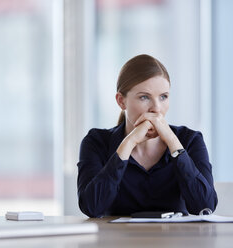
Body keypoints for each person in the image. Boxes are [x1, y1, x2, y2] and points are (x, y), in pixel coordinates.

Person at [77, 54, 217, 217]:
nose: (156, 108)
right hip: (118, 242)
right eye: (144, 97)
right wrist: (128, 144)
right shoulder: (96, 142)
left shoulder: (190, 140)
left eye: (163, 97)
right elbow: (92, 208)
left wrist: (172, 142)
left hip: (175, 241)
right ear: (121, 101)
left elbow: (205, 207)